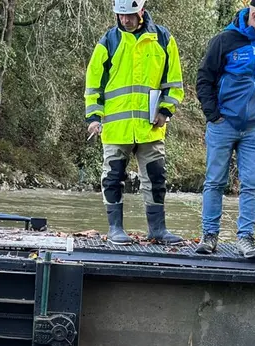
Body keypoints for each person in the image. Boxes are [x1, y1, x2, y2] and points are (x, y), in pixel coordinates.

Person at [86, 0, 186, 246]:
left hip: (151, 127)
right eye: (120, 16)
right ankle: (115, 228)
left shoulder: (162, 38)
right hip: (116, 127)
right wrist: (93, 117)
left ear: (141, 11)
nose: (125, 20)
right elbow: (93, 83)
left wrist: (166, 110)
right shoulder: (108, 41)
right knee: (112, 177)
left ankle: (157, 229)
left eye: (129, 15)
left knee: (156, 177)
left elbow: (173, 82)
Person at [196, 0, 255, 257]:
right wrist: (213, 115)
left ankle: (246, 238)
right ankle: (209, 235)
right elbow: (204, 79)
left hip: (254, 128)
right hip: (222, 124)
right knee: (215, 181)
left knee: (252, 183)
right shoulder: (224, 40)